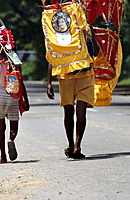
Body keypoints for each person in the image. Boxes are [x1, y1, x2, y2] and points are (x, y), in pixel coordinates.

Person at [47, 23, 99, 159]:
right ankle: (74, 145)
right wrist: (49, 82)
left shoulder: (63, 30)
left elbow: (52, 57)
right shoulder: (78, 29)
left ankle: (74, 145)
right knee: (76, 113)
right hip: (76, 76)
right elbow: (53, 57)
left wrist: (49, 82)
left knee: (73, 112)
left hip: (76, 77)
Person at [0, 51, 30, 164]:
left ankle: (3, 156)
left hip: (0, 96)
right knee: (14, 125)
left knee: (1, 128)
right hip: (13, 95)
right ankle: (11, 139)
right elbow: (21, 81)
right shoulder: (15, 63)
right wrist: (26, 99)